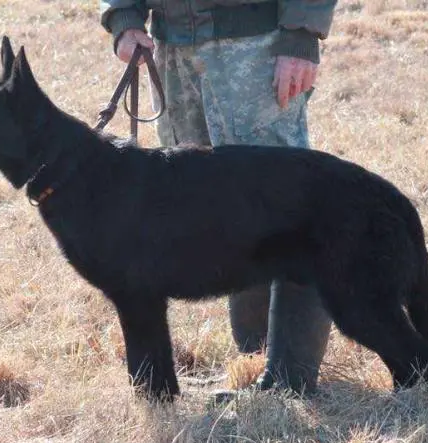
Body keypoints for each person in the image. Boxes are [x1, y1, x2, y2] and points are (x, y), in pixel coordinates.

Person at [100, 0, 338, 395]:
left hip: (256, 44)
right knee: (217, 211)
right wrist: (124, 17)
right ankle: (258, 363)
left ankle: (290, 376)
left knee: (283, 208)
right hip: (171, 47)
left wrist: (301, 34)